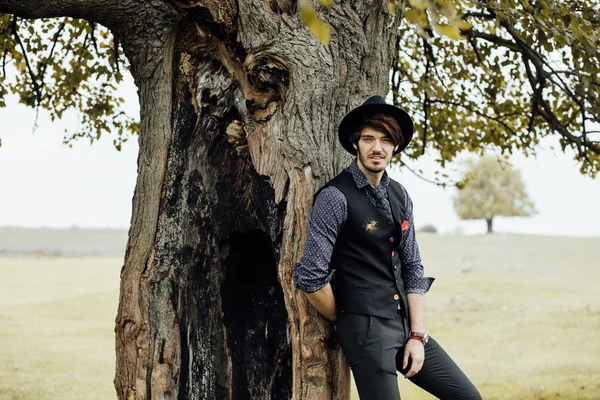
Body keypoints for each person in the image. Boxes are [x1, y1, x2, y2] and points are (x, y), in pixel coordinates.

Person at [293, 96, 481, 399]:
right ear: (356, 144)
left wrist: (417, 334)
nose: (376, 148)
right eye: (368, 139)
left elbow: (413, 267)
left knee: (467, 396)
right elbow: (311, 277)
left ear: (395, 146)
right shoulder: (335, 197)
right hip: (365, 329)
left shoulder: (400, 194)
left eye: (385, 140)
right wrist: (348, 318)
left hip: (404, 323)